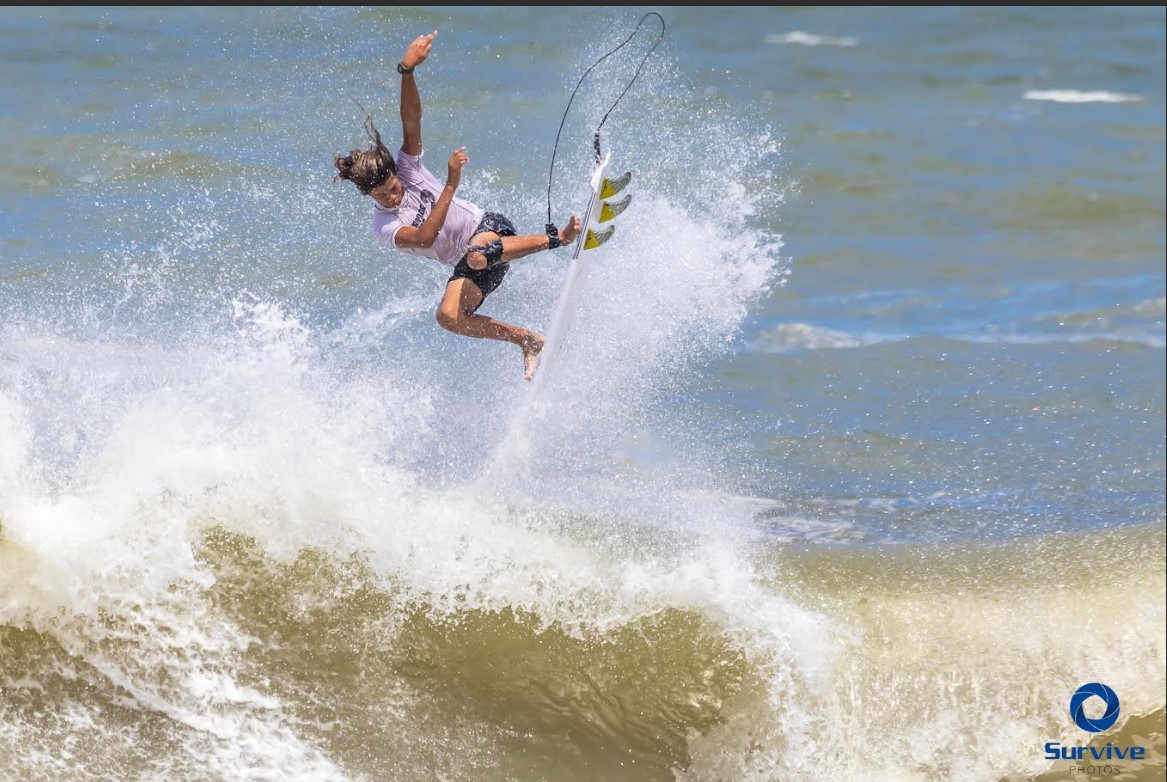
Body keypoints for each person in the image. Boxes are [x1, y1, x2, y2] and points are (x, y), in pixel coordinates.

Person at [333, 30, 581, 381]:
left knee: (477, 252)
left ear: (394, 173)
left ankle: (559, 238)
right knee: (448, 317)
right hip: (475, 264)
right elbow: (423, 238)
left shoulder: (408, 167)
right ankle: (526, 340)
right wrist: (450, 184)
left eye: (391, 187)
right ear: (369, 198)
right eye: (381, 196)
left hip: (489, 231)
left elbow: (411, 120)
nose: (390, 196)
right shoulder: (383, 226)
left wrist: (407, 71)